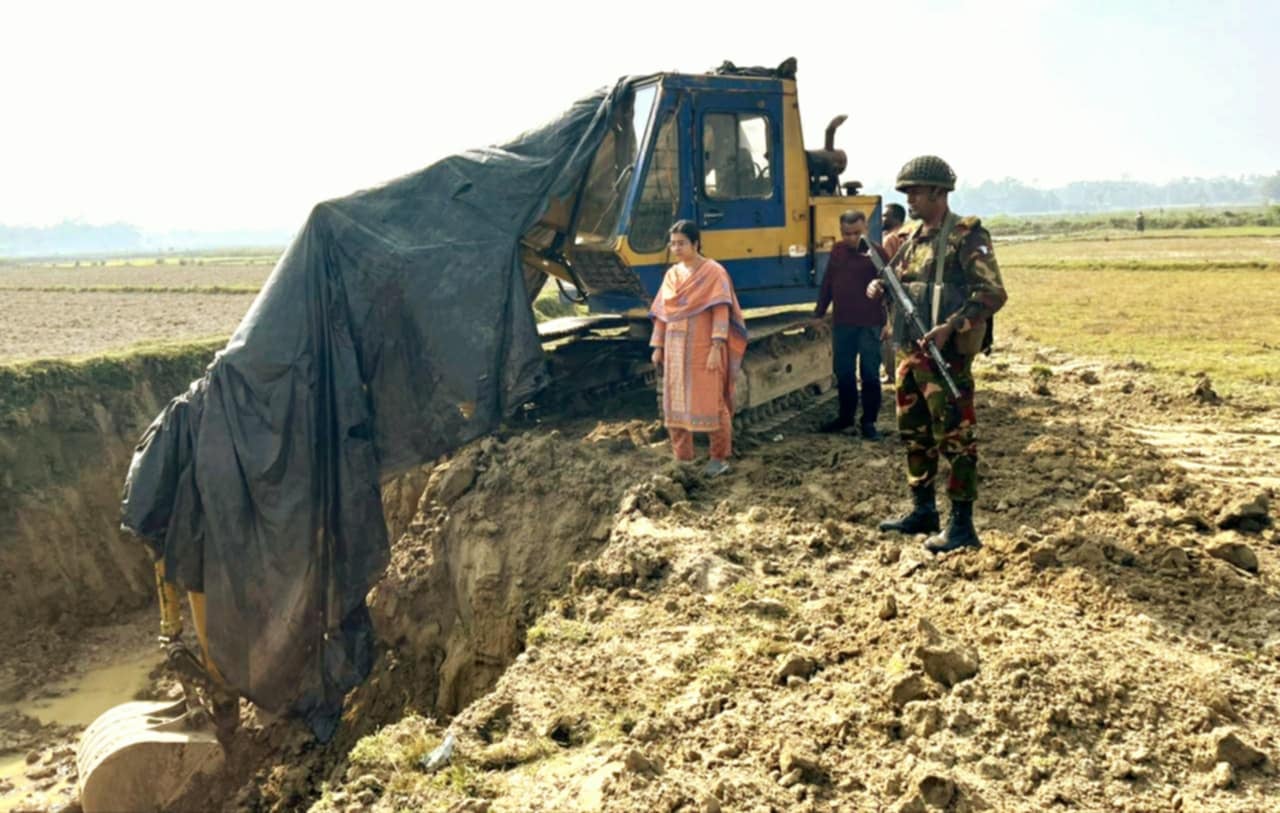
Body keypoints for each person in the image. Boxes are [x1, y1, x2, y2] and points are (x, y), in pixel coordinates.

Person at [868, 156, 1007, 553]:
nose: (909, 199)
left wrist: (952, 326)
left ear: (939, 193)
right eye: (906, 191)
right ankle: (923, 511)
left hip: (946, 358)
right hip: (909, 354)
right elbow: (908, 285)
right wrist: (881, 289)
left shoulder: (966, 236)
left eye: (915, 191)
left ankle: (962, 525)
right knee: (915, 435)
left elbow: (992, 293)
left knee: (956, 438)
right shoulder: (911, 239)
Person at [649, 220, 748, 476]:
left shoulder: (713, 272)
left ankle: (720, 457)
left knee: (711, 402)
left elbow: (721, 310)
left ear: (695, 244)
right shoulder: (671, 275)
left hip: (703, 348)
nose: (676, 248)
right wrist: (657, 345)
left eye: (681, 243)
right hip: (674, 349)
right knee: (674, 404)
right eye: (672, 244)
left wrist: (717, 346)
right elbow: (662, 313)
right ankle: (683, 458)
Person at [814, 210, 888, 439]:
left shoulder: (877, 253)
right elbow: (828, 282)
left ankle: (869, 423)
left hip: (869, 325)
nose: (852, 238)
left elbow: (890, 288)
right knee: (843, 373)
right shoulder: (837, 251)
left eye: (856, 233)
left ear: (865, 228)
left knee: (870, 375)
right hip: (843, 324)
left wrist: (888, 323)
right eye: (847, 234)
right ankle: (845, 418)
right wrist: (819, 313)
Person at [880, 202, 908, 383]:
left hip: (893, 292)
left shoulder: (890, 239)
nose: (882, 219)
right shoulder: (909, 234)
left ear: (894, 218)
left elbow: (884, 267)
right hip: (909, 291)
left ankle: (891, 373)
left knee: (889, 333)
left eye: (885, 216)